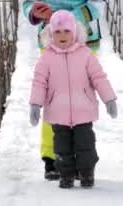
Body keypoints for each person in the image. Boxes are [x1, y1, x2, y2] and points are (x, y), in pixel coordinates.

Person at [21, 0, 107, 180]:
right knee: (54, 100)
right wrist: (36, 11)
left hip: (84, 44)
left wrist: (70, 21)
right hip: (51, 44)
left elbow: (97, 2)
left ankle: (81, 159)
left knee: (80, 101)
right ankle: (52, 157)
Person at [29, 10, 117, 188]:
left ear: (75, 33)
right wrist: (35, 105)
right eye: (57, 32)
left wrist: (109, 99)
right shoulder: (46, 58)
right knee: (62, 148)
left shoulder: (86, 55)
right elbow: (39, 82)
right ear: (51, 35)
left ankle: (86, 173)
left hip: (83, 111)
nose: (62, 36)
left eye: (67, 31)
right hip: (58, 113)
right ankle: (66, 175)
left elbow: (99, 78)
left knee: (86, 146)